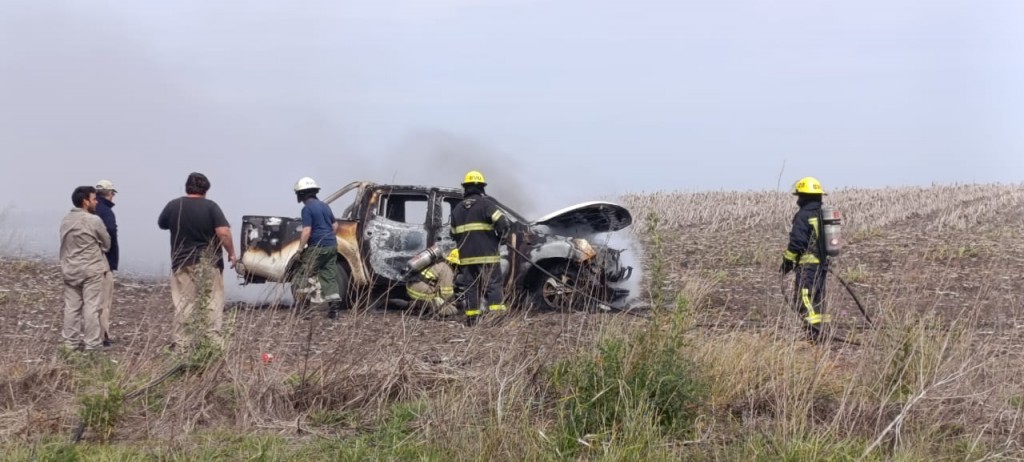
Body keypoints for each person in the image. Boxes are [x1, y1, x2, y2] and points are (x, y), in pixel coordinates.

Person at [157, 172, 236, 350]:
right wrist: (231, 253)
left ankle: (181, 345)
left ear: (187, 188)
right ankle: (212, 344)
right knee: (212, 303)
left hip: (181, 262)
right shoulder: (211, 207)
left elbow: (162, 224)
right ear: (206, 190)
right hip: (208, 263)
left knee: (184, 303)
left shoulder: (173, 206)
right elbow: (223, 232)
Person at [450, 170, 511, 326]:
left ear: (466, 188)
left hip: (466, 257)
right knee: (493, 285)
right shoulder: (486, 204)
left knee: (470, 288)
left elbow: (453, 234)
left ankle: (472, 320)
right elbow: (503, 223)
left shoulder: (456, 209)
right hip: (487, 256)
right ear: (482, 188)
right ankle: (496, 319)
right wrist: (500, 237)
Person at [59, 186, 112, 352]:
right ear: (85, 201)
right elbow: (107, 243)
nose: (96, 201)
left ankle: (70, 344)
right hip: (91, 269)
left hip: (70, 268)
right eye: (93, 198)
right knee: (91, 307)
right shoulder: (93, 220)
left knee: (72, 308)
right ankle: (92, 345)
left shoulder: (66, 219)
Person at [780, 176, 831, 342]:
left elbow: (797, 242)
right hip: (822, 265)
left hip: (808, 266)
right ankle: (822, 333)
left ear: (804, 196)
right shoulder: (822, 214)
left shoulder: (804, 215)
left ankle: (814, 334)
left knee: (804, 299)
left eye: (799, 196)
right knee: (818, 298)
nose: (798, 200)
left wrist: (787, 262)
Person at [291, 176, 344, 319]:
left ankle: (304, 310)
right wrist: (327, 237)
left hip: (317, 247)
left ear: (301, 194)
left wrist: (300, 250)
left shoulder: (307, 209)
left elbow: (306, 230)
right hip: (331, 246)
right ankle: (334, 311)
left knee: (303, 275)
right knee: (329, 276)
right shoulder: (324, 206)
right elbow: (335, 225)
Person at [94, 179, 118, 347]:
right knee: (104, 301)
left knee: (91, 300)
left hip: (87, 261)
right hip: (104, 262)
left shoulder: (90, 209)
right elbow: (110, 231)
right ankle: (103, 335)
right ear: (109, 194)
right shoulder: (106, 211)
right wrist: (108, 249)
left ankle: (94, 334)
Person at [406, 249, 459, 317]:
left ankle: (418, 305)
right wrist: (453, 303)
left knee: (436, 295)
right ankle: (426, 307)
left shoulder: (439, 262)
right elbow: (446, 294)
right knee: (452, 311)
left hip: (412, 286)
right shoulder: (447, 270)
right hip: (419, 290)